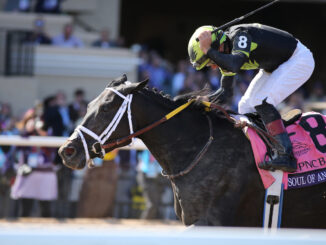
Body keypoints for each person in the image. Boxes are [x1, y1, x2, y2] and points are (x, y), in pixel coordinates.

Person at [188, 23, 315, 172]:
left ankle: (286, 155)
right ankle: (265, 149)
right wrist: (200, 105)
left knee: (262, 100)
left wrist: (207, 50)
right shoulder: (226, 53)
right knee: (245, 106)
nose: (214, 67)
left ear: (218, 47)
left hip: (298, 59)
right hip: (275, 67)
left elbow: (235, 64)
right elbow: (225, 93)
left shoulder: (240, 35)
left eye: (210, 61)